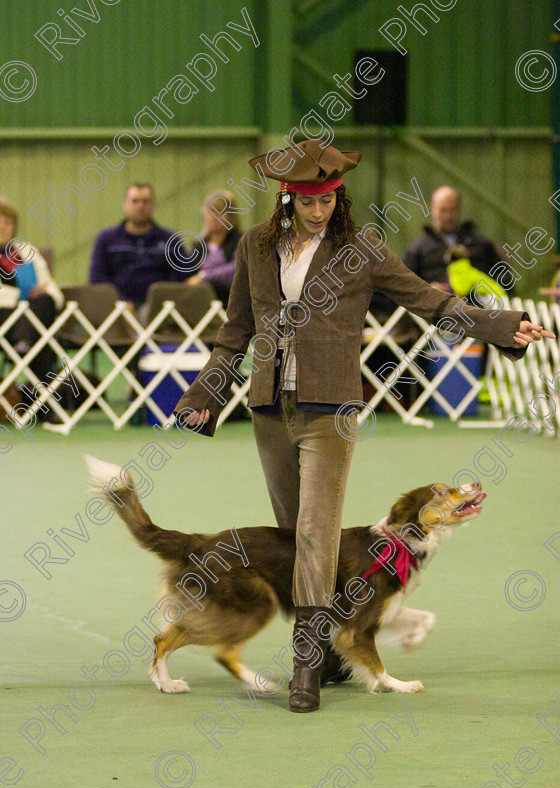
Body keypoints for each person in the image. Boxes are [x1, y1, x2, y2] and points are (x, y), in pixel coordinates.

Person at [173, 140, 554, 714]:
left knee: (315, 533)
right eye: (308, 200)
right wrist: (206, 392)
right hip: (270, 409)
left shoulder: (361, 248)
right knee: (290, 531)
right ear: (287, 197)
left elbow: (428, 300)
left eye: (328, 198)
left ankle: (306, 664)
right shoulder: (254, 245)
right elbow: (236, 330)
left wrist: (501, 325)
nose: (319, 209)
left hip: (332, 412)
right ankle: (328, 651)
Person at [89, 183, 196, 318]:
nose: (140, 206)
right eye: (135, 201)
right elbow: (97, 278)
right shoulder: (106, 239)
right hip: (116, 309)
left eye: (146, 201)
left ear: (153, 205)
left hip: (161, 310)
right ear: (125, 205)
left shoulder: (171, 240)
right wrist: (120, 301)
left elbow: (185, 278)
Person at [0, 197, 64, 383]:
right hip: (4, 319)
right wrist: (21, 296)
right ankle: (45, 405)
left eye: (8, 222)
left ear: (15, 227)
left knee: (44, 301)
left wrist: (45, 291)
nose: (3, 227)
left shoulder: (27, 251)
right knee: (41, 339)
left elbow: (54, 291)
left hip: (33, 316)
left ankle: (25, 341)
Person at [402, 186, 504, 290]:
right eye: (443, 210)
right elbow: (404, 286)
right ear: (432, 209)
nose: (448, 217)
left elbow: (504, 283)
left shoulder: (482, 244)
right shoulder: (417, 250)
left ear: (460, 209)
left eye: (452, 210)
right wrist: (428, 291)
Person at [186, 190, 242, 308]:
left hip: (227, 296)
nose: (212, 217)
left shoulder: (239, 241)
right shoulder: (198, 246)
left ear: (230, 216)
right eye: (209, 212)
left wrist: (204, 277)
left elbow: (235, 269)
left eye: (218, 213)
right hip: (199, 297)